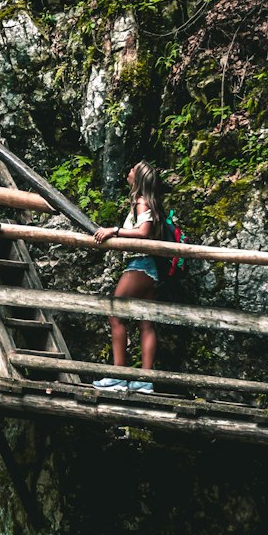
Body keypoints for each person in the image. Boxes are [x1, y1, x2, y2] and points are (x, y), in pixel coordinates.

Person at [91, 160, 164, 393]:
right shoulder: (148, 202)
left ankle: (118, 376)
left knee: (115, 315)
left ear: (139, 177)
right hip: (150, 268)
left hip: (140, 265)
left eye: (132, 169)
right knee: (146, 324)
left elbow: (143, 232)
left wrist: (114, 230)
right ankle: (145, 381)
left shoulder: (141, 202)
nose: (128, 171)